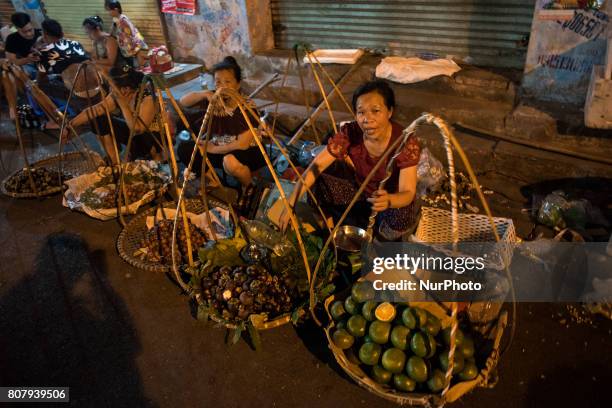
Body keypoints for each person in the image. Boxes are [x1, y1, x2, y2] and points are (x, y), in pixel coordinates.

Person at [279, 80, 420, 241]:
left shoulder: (405, 141)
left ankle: (383, 237)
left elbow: (408, 192)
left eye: (375, 111)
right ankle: (330, 227)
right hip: (361, 191)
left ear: (389, 111)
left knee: (402, 213)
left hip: (389, 199)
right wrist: (290, 203)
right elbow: (316, 166)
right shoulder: (350, 133)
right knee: (319, 180)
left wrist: (389, 200)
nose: (367, 119)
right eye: (361, 112)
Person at [177, 56, 266, 204]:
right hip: (217, 147)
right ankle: (212, 180)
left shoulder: (247, 106)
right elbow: (183, 101)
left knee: (229, 161)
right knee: (185, 149)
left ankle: (248, 186)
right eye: (218, 81)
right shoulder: (213, 98)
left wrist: (210, 148)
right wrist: (204, 94)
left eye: (227, 82)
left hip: (247, 152)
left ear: (238, 84)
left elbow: (242, 144)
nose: (222, 86)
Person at [63, 65, 163, 165]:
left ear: (126, 89)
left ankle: (149, 158)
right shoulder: (118, 94)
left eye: (113, 87)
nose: (111, 89)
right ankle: (115, 162)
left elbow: (137, 129)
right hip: (134, 134)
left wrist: (123, 106)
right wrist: (70, 126)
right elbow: (97, 109)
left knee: (142, 141)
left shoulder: (147, 99)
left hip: (152, 138)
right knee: (98, 119)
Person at [105, 1, 148, 67]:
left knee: (138, 56)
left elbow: (131, 32)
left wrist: (131, 44)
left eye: (109, 10)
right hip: (126, 44)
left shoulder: (123, 20)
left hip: (131, 42)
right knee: (135, 60)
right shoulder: (115, 19)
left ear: (116, 9)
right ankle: (140, 68)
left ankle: (144, 68)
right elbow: (112, 30)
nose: (108, 13)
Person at [4, 12, 42, 79]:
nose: (28, 34)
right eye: (24, 32)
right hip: (27, 66)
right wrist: (28, 59)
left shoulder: (41, 33)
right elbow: (12, 63)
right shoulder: (11, 39)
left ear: (32, 24)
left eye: (30, 30)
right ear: (16, 28)